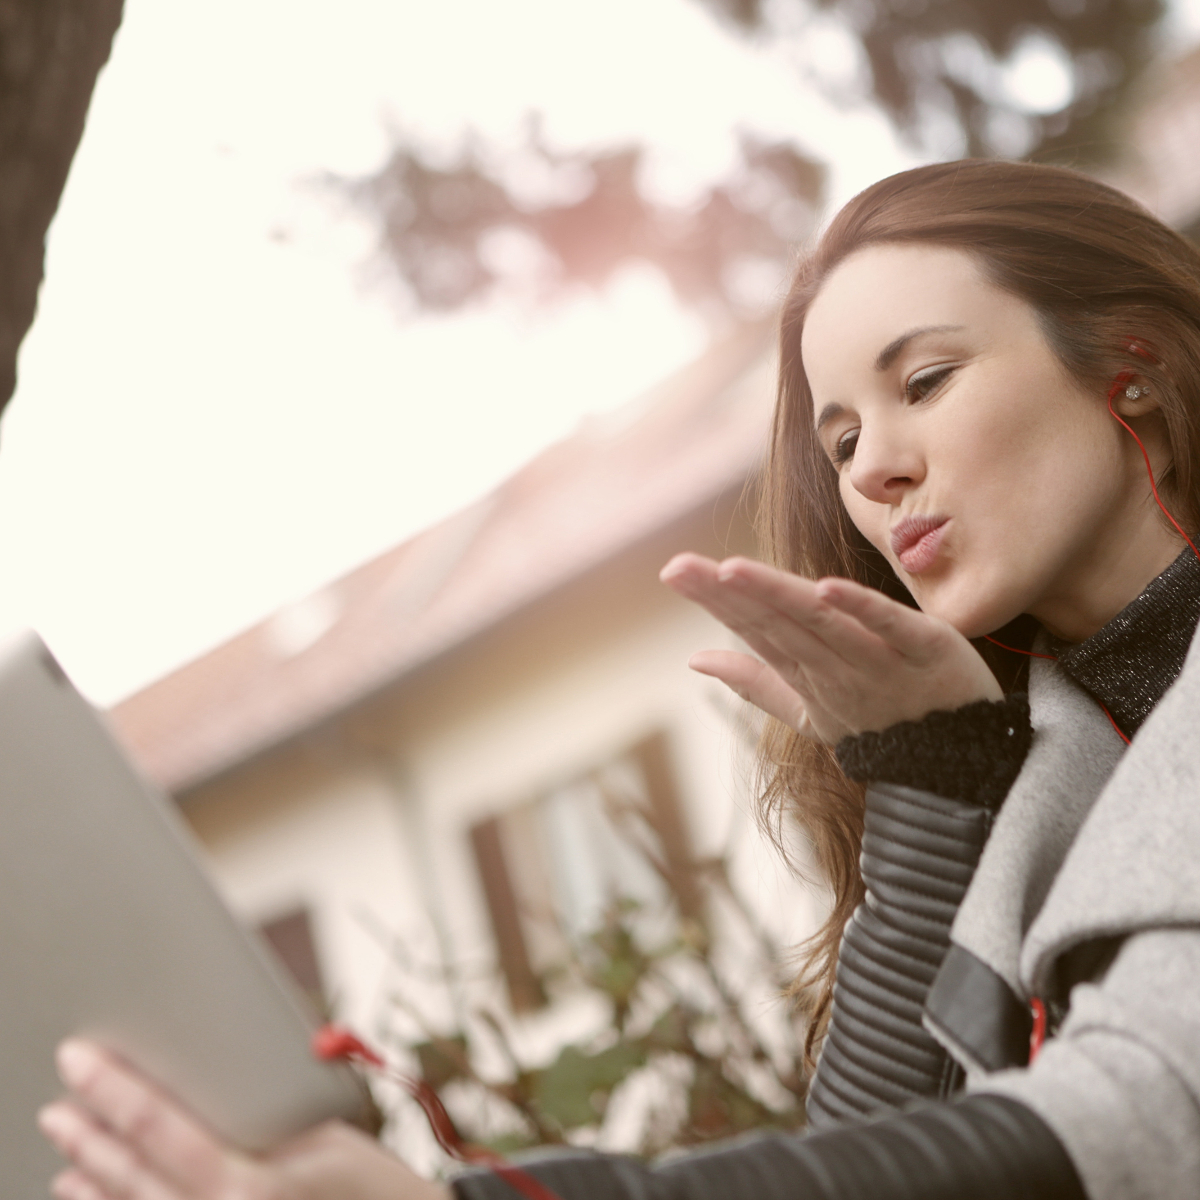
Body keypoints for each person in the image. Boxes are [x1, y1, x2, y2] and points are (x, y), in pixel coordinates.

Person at [38, 158, 1200, 1200]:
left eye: (928, 379)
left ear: (1132, 363)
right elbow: (889, 1141)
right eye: (839, 442)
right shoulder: (1039, 754)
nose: (878, 469)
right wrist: (929, 789)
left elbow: (1137, 1112)